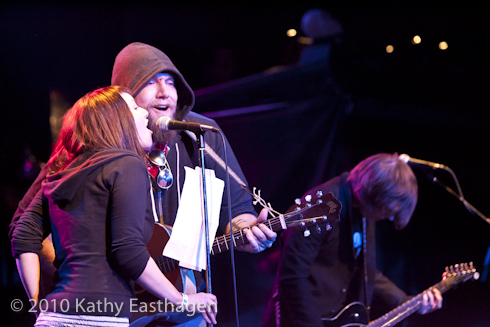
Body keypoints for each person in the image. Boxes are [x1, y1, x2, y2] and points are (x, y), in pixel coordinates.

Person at [9, 42, 277, 326]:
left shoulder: (201, 138)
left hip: (178, 306)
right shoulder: (90, 149)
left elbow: (236, 209)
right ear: (122, 102)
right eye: (150, 82)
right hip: (115, 310)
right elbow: (25, 227)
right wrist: (66, 271)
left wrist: (247, 231)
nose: (164, 92)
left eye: (170, 82)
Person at [11, 86, 218, 327]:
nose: (143, 113)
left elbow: (22, 235)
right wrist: (183, 301)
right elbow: (128, 250)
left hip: (53, 316)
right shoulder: (127, 163)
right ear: (116, 120)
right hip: (100, 318)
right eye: (133, 107)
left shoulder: (63, 173)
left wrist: (38, 305)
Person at [262, 153, 443, 327]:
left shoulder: (362, 208)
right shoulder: (316, 208)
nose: (388, 218)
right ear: (372, 198)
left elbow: (368, 270)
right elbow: (292, 278)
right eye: (388, 211)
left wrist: (406, 302)